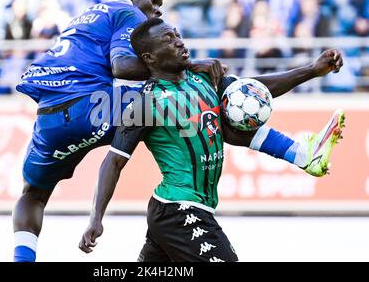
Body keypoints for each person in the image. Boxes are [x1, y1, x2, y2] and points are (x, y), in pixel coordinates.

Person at [13, 0, 344, 262]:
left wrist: (312, 70)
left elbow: (247, 88)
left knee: (32, 195)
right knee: (199, 102)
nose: (157, 10)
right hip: (95, 104)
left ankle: (22, 256)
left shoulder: (84, 18)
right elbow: (123, 67)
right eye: (154, 0)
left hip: (50, 115)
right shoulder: (126, 12)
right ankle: (300, 153)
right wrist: (189, 64)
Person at [78, 18, 345, 262]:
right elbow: (113, 162)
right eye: (168, 39)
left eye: (178, 34)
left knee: (230, 125)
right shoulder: (144, 104)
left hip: (183, 209)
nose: (179, 41)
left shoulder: (204, 78)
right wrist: (95, 219)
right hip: (179, 210)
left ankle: (301, 154)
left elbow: (256, 90)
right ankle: (302, 154)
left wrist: (312, 69)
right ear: (150, 57)